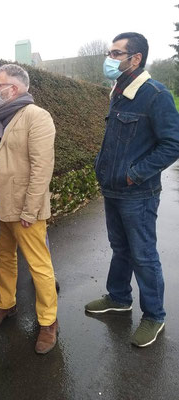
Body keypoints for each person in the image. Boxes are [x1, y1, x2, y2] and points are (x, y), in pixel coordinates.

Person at [85, 32, 179, 347]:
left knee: (143, 254)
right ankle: (119, 297)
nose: (109, 59)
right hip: (113, 190)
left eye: (115, 53)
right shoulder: (120, 90)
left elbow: (172, 144)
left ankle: (154, 316)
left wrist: (134, 174)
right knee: (121, 248)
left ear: (135, 58)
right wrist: (104, 168)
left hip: (137, 193)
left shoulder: (155, 94)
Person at [0, 64, 58, 354]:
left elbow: (42, 168)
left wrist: (30, 210)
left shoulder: (36, 117)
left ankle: (49, 321)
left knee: (39, 266)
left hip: (26, 210)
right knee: (4, 259)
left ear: (13, 89)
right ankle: (6, 305)